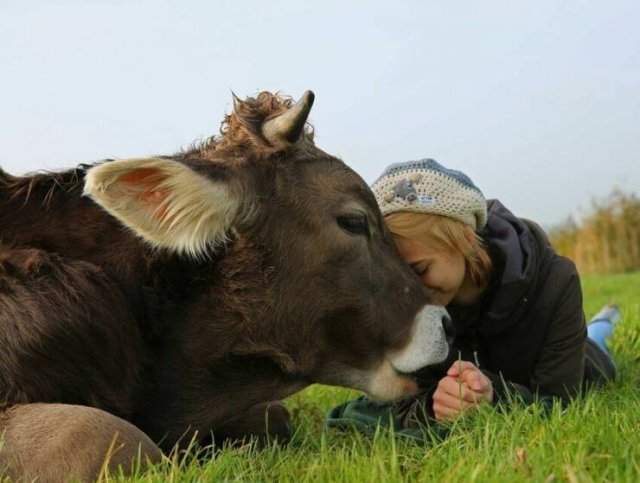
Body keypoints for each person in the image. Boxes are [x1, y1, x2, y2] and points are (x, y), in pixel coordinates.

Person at [327, 159, 618, 437]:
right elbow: (399, 400)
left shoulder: (557, 282)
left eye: (420, 270)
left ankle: (605, 320)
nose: (411, 294)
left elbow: (558, 402)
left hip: (583, 357)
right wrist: (434, 405)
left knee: (596, 340)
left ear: (465, 239)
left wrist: (492, 396)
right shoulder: (408, 310)